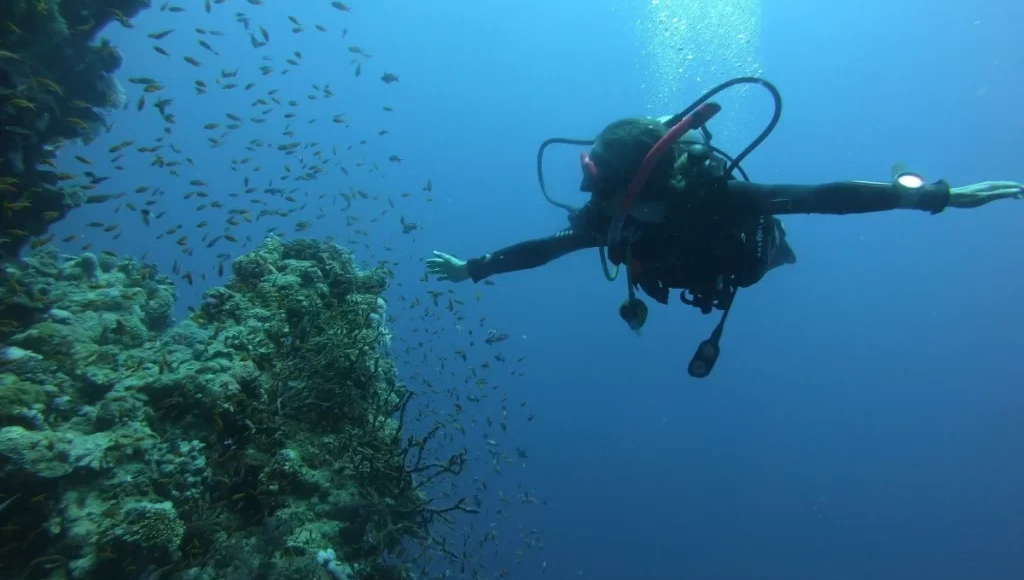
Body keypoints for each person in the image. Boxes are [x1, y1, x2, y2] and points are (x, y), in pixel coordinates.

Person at [426, 78, 1023, 377]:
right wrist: (474, 268)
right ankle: (910, 185)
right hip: (692, 267)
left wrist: (928, 199)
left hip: (745, 259)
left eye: (593, 171)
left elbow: (820, 197)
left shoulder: (710, 196)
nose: (584, 185)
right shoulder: (611, 220)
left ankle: (910, 180)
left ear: (629, 179)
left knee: (780, 247)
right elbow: (544, 250)